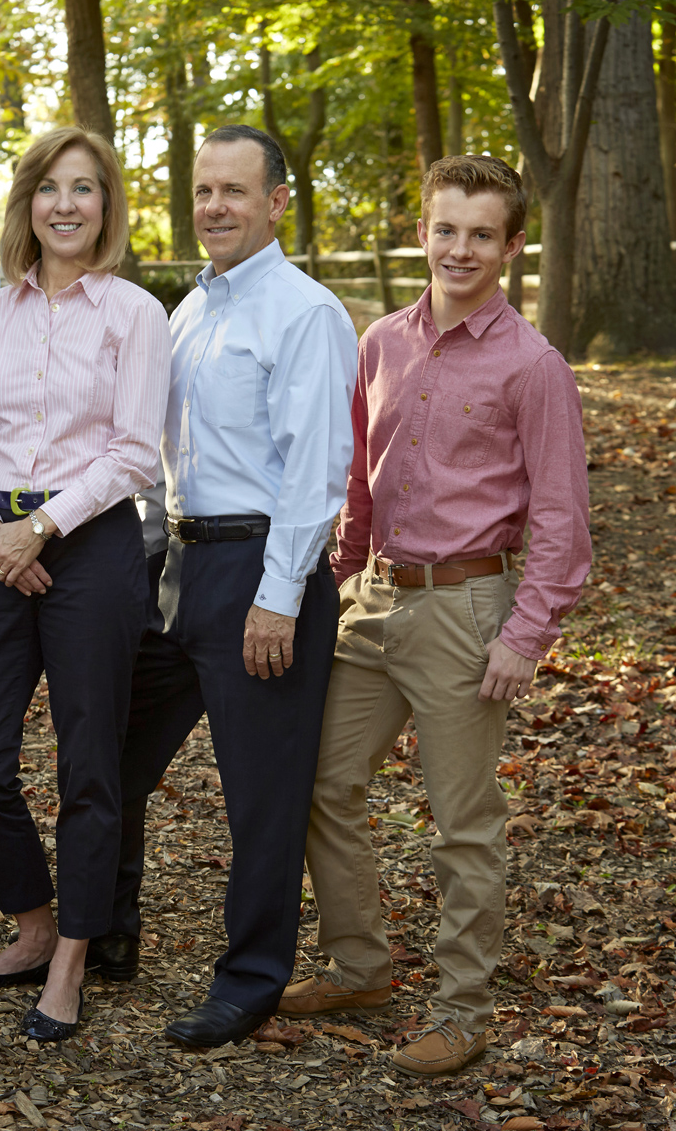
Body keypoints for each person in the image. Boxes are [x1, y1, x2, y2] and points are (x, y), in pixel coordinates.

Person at [277, 156, 591, 1076]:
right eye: (445, 229)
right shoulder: (380, 340)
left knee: (463, 824)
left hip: (468, 608)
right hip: (373, 599)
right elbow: (359, 482)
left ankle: (462, 1012)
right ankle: (360, 965)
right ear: (423, 230)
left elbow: (565, 525)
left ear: (510, 245)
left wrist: (522, 637)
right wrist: (339, 583)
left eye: (481, 234)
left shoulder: (533, 367)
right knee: (324, 786)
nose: (460, 249)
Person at [86, 125, 359, 1047]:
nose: (215, 208)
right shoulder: (189, 312)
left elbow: (315, 472)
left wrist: (279, 596)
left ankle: (250, 980)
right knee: (117, 756)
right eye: (204, 191)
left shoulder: (305, 312)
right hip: (181, 567)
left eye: (235, 192)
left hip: (262, 569)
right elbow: (165, 460)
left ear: (279, 200)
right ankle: (108, 934)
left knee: (261, 792)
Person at [0, 127, 170, 1043]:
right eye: (49, 188)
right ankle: (31, 923)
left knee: (89, 763)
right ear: (25, 204)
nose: (65, 204)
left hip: (93, 547)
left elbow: (134, 452)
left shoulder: (134, 314)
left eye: (85, 189)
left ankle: (74, 953)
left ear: (106, 207)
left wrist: (42, 525)